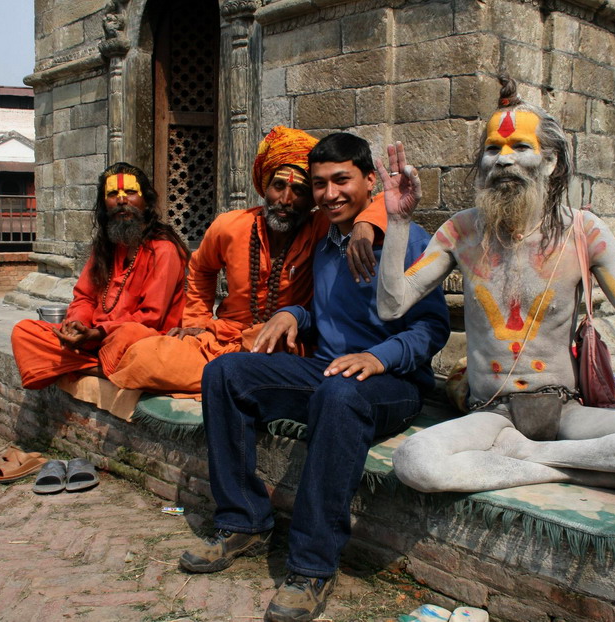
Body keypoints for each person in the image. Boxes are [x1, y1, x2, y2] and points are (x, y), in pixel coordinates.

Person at [375, 77, 615, 495]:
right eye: (493, 149)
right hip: (492, 414)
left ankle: (533, 458)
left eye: (519, 147)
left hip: (566, 410)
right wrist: (398, 223)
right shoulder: (462, 231)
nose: (503, 160)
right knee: (415, 462)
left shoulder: (586, 232)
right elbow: (390, 306)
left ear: (550, 162)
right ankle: (570, 468)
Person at [178, 133, 450, 622]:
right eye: (320, 184)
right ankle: (244, 520)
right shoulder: (326, 241)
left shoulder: (412, 241)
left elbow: (433, 328)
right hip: (326, 372)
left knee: (341, 393)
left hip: (393, 384)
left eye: (341, 180)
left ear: (370, 181)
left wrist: (380, 358)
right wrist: (294, 316)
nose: (329, 194)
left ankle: (312, 566)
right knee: (225, 372)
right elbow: (321, 307)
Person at [106, 126, 386, 395]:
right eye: (278, 186)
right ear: (265, 187)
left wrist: (366, 223)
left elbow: (382, 201)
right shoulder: (230, 226)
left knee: (230, 372)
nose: (286, 199)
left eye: (299, 191)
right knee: (140, 352)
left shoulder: (321, 226)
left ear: (312, 198)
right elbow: (201, 269)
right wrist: (198, 319)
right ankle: (219, 379)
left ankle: (223, 382)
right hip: (220, 338)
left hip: (280, 346)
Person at [11, 162, 189, 390]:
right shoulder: (105, 248)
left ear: (146, 201)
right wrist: (76, 325)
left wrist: (97, 333)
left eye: (131, 193)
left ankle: (82, 366)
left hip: (138, 340)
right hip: (93, 338)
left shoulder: (164, 249)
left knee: (130, 336)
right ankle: (103, 368)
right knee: (24, 332)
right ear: (104, 204)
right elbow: (84, 297)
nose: (122, 200)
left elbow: (150, 317)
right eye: (113, 194)